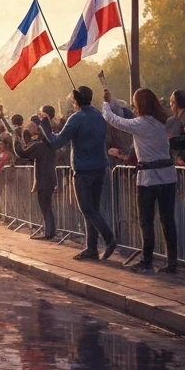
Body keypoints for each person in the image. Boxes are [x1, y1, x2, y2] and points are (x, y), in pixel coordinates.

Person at [102, 88, 179, 273]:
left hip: (149, 178)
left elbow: (115, 120)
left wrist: (105, 104)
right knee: (167, 220)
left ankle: (147, 261)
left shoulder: (140, 124)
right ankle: (172, 262)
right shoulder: (159, 124)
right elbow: (123, 115)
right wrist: (112, 99)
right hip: (168, 176)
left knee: (146, 220)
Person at [39, 86, 116, 262]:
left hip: (83, 169)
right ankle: (91, 249)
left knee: (87, 209)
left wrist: (44, 124)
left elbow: (56, 142)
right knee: (93, 210)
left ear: (75, 101)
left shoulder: (76, 118)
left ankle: (109, 238)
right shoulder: (98, 115)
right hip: (100, 166)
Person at [2, 106, 56, 240]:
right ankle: (49, 230)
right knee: (46, 206)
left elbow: (22, 153)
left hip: (44, 179)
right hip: (49, 178)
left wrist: (15, 137)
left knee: (45, 206)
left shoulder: (40, 144)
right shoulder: (49, 143)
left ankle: (49, 232)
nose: (29, 129)